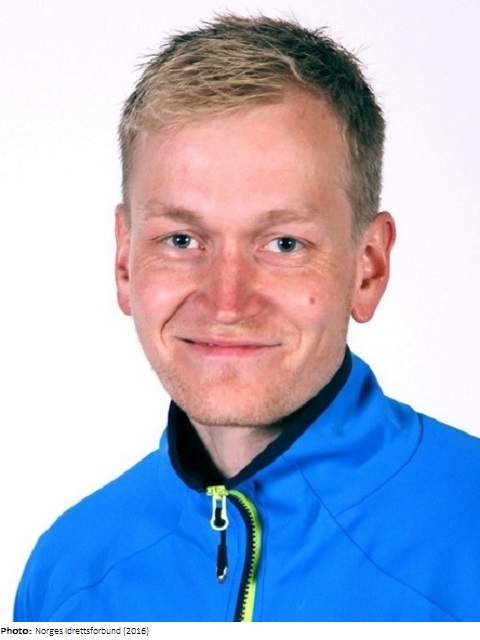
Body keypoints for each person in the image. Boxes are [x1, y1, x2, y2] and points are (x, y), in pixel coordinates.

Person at [14, 14, 480, 622]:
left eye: (284, 243)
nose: (227, 302)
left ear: (368, 268)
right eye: (182, 240)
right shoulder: (68, 574)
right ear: (125, 260)